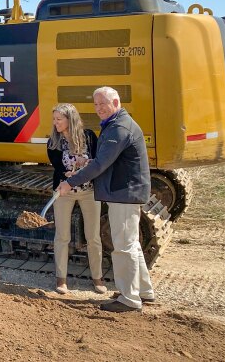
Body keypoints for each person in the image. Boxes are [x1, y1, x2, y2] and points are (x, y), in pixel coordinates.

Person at [57, 86, 155, 313]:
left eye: (103, 103)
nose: (99, 108)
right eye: (96, 104)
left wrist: (69, 182)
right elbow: (105, 161)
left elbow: (101, 165)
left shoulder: (118, 128)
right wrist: (87, 163)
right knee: (132, 244)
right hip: (125, 191)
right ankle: (143, 291)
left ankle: (129, 299)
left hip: (123, 192)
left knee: (123, 246)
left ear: (116, 103)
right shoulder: (118, 124)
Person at [48, 103, 106, 295]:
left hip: (89, 191)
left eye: (59, 119)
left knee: (93, 237)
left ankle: (97, 279)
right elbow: (58, 167)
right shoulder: (53, 141)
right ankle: (61, 279)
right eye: (54, 119)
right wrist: (68, 172)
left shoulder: (89, 136)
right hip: (64, 192)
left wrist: (86, 162)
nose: (55, 123)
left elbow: (98, 161)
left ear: (70, 120)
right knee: (62, 236)